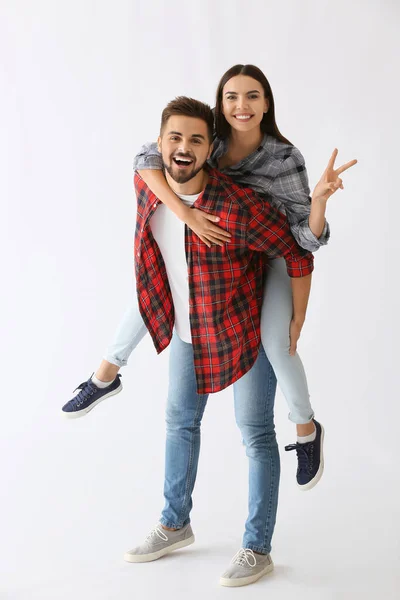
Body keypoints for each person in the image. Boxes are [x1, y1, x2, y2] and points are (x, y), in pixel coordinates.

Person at [63, 65, 356, 493]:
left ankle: (307, 428)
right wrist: (185, 214)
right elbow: (146, 159)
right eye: (232, 97)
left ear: (266, 104)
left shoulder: (282, 158)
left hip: (273, 251)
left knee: (279, 343)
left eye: (253, 96)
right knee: (155, 288)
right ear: (220, 103)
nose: (242, 106)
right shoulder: (207, 141)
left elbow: (301, 243)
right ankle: (105, 375)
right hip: (220, 250)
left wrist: (317, 204)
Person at [123, 96, 313, 587]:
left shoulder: (237, 205)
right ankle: (174, 523)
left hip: (243, 327)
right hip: (188, 328)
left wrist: (296, 317)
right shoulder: (149, 186)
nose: (183, 148)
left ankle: (257, 547)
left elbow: (295, 252)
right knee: (179, 422)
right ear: (160, 144)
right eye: (175, 138)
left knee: (254, 433)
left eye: (196, 139)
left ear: (212, 148)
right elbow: (144, 164)